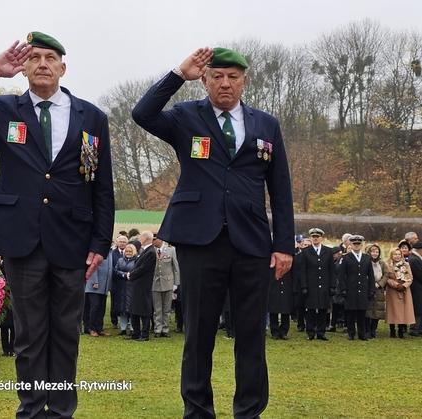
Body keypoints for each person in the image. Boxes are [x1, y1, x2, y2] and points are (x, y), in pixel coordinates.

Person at [0, 32, 114, 418]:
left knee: (66, 334)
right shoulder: (6, 109)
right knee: (30, 335)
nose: (42, 63)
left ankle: (61, 411)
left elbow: (102, 186)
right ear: (22, 67)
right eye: (34, 57)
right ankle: (32, 409)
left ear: (62, 67)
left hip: (73, 239)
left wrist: (101, 243)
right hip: (22, 239)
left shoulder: (92, 117)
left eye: (50, 57)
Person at [132, 47, 294, 418]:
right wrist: (177, 74)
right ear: (204, 80)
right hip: (199, 240)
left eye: (232, 76)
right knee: (198, 335)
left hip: (252, 242)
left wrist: (284, 244)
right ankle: (198, 411)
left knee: (252, 336)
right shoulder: (186, 117)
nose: (225, 83)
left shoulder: (265, 124)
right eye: (217, 76)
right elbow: (142, 113)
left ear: (244, 81)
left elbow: (281, 188)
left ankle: (249, 411)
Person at [296, 228, 333, 341]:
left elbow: (331, 270)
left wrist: (332, 286)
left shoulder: (328, 251)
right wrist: (304, 286)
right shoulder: (306, 252)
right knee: (310, 310)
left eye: (317, 236)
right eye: (313, 236)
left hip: (324, 285)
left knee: (323, 309)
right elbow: (302, 271)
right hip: (310, 286)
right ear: (311, 238)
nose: (315, 238)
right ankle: (310, 332)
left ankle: (321, 332)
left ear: (321, 238)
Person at [337, 235, 375, 340]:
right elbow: (341, 276)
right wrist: (343, 289)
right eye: (354, 244)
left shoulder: (367, 258)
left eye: (358, 244)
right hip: (350, 290)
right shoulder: (346, 258)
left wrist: (371, 289)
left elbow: (371, 275)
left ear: (361, 245)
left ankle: (362, 334)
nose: (356, 246)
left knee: (362, 313)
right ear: (351, 245)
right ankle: (351, 333)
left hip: (363, 289)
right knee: (350, 313)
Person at [126, 231, 157, 341]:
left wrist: (131, 274)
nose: (139, 238)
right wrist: (132, 273)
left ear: (145, 238)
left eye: (141, 236)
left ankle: (144, 334)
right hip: (137, 284)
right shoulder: (143, 250)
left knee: (144, 310)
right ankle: (135, 333)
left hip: (143, 285)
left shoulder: (151, 252)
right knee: (134, 308)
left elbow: (143, 268)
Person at [152, 235, 179, 337]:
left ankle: (165, 329)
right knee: (157, 308)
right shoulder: (152, 251)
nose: (154, 241)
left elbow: (176, 267)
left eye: (155, 239)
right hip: (155, 283)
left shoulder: (171, 250)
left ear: (160, 239)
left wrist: (176, 283)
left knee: (167, 308)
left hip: (168, 282)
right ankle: (158, 329)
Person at [385, 248, 415, 338]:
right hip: (393, 290)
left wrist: (404, 285)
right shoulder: (387, 265)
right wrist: (396, 285)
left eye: (399, 254)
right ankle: (392, 330)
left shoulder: (406, 265)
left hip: (404, 291)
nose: (397, 256)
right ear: (391, 255)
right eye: (395, 254)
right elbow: (386, 278)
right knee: (392, 310)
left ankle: (401, 330)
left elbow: (410, 277)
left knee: (403, 311)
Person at [84, 248, 113, 337]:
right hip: (95, 286)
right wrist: (94, 281)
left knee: (101, 308)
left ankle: (99, 328)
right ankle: (90, 328)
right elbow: (93, 266)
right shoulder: (98, 251)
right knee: (94, 307)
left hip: (104, 286)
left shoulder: (110, 252)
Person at [114, 244, 138, 336]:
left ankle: (132, 328)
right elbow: (115, 270)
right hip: (121, 287)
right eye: (127, 251)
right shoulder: (120, 260)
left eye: (130, 251)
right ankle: (123, 328)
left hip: (132, 287)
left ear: (134, 252)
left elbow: (137, 271)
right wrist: (124, 274)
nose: (128, 253)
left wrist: (130, 275)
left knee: (131, 308)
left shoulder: (136, 260)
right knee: (122, 309)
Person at [364, 244, 387, 339]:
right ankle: (367, 330)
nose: (375, 253)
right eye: (373, 251)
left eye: (377, 252)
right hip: (368, 289)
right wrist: (370, 283)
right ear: (369, 252)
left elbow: (386, 275)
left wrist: (380, 283)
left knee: (377, 311)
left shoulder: (382, 263)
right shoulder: (365, 262)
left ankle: (374, 329)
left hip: (379, 290)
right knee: (368, 310)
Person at [109, 235, 129, 328]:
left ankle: (126, 321)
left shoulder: (130, 252)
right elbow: (111, 267)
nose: (122, 243)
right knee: (114, 302)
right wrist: (121, 274)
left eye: (124, 242)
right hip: (116, 281)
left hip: (127, 282)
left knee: (126, 301)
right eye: (120, 241)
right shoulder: (112, 253)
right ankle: (114, 320)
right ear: (117, 243)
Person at [408, 241, 422, 336]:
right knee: (418, 308)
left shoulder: (415, 258)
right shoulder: (414, 259)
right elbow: (420, 275)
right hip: (417, 288)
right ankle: (415, 329)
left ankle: (418, 328)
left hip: (418, 288)